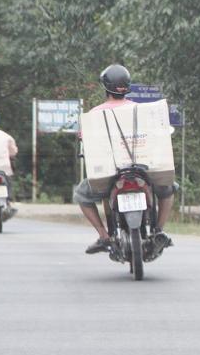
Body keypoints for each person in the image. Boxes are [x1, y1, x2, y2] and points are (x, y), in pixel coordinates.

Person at [73, 64, 175, 254]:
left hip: (110, 173)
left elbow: (83, 136)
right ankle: (159, 230)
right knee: (169, 188)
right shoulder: (140, 110)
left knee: (81, 195)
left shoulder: (95, 115)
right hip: (144, 169)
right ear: (127, 86)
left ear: (105, 86)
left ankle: (104, 235)